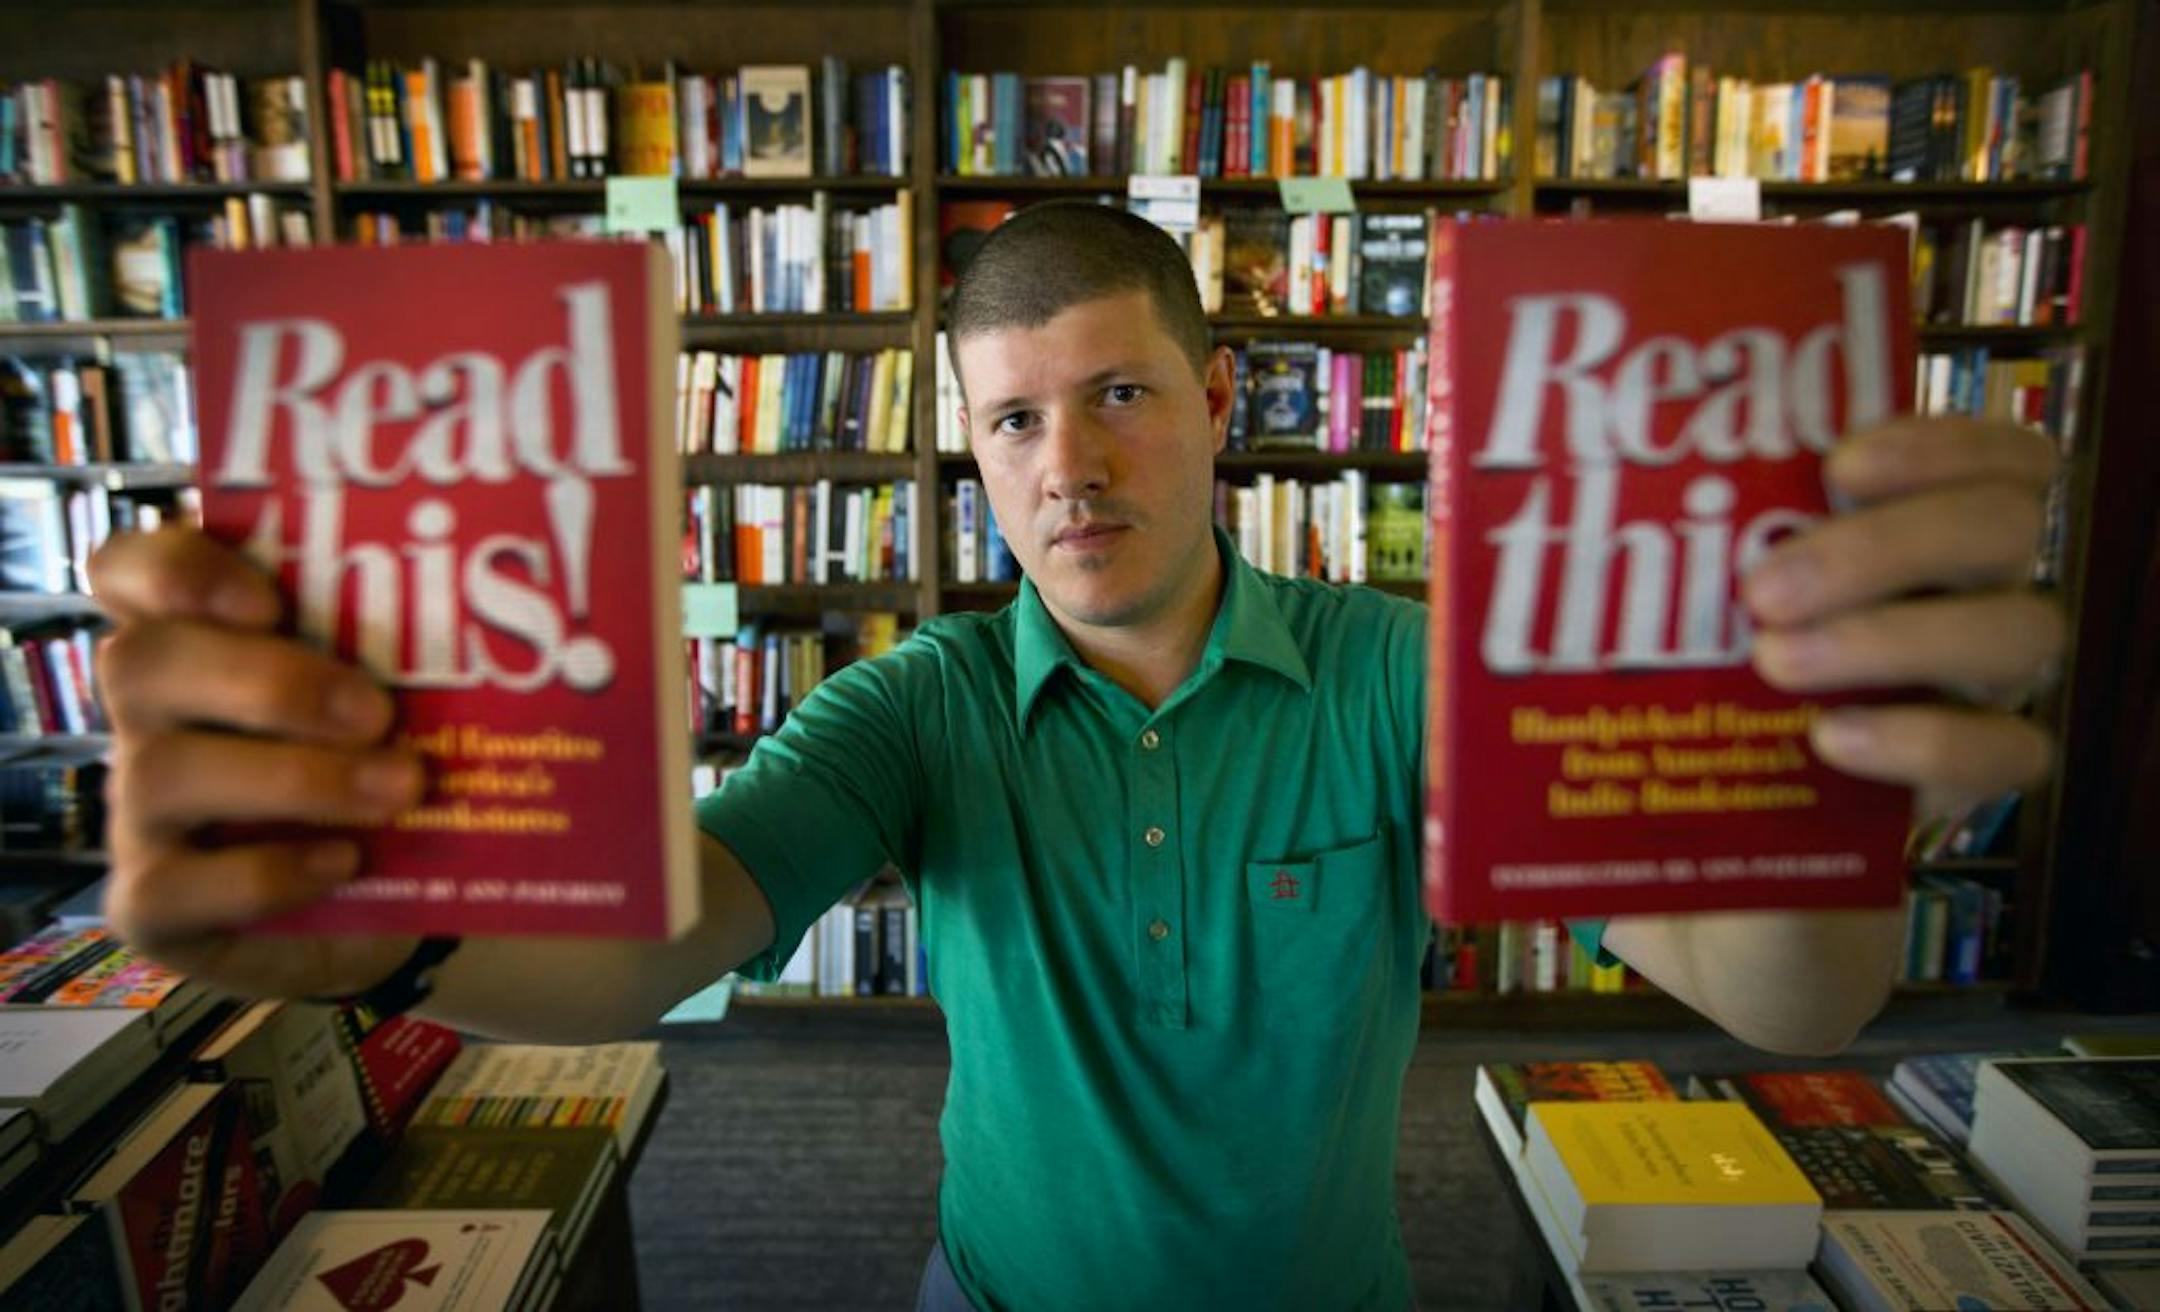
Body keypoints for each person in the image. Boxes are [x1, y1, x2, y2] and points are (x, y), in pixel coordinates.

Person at [90, 202, 2063, 1311]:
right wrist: (393, 948)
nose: (1070, 462)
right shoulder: (917, 701)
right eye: (1015, 421)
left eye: (1120, 395)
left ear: (1219, 404)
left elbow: (1784, 987)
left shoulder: (1408, 669)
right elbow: (653, 942)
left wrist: (1820, 784)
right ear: (970, 448)